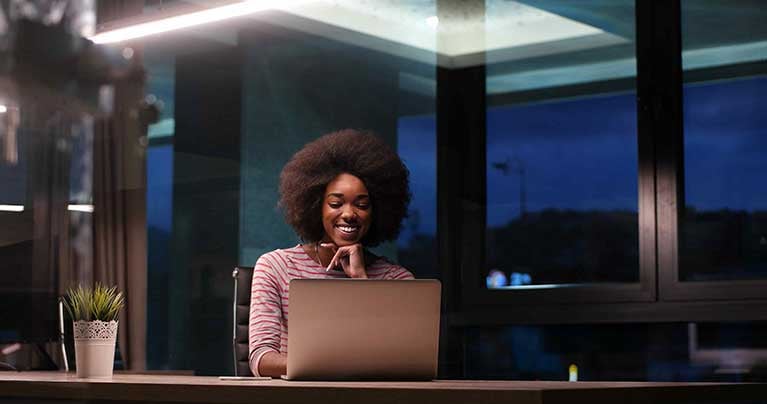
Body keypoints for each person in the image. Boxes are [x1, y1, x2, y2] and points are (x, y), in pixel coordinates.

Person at [248, 129, 415, 377]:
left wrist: (361, 281)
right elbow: (262, 359)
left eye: (361, 205)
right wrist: (338, 364)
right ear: (315, 206)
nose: (349, 214)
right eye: (336, 203)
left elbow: (406, 360)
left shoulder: (396, 280)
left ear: (377, 210)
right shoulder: (276, 267)